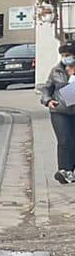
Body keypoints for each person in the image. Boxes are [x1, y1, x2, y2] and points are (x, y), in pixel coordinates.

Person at [43, 39, 75, 184]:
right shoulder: (56, 70)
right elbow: (47, 88)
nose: (65, 58)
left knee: (73, 141)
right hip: (59, 110)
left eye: (68, 55)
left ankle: (71, 170)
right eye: (63, 55)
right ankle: (64, 170)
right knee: (64, 140)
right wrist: (48, 101)